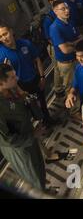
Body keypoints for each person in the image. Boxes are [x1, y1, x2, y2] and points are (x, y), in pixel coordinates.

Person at [0, 63, 46, 191]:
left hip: (29, 136)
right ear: (1, 83)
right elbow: (7, 140)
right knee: (33, 176)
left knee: (39, 169)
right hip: (19, 148)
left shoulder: (12, 89)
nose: (17, 78)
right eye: (13, 77)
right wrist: (33, 135)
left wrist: (26, 98)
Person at [0, 23, 53, 127]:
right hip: (20, 85)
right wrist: (19, 91)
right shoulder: (1, 55)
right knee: (29, 109)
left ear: (11, 31)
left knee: (42, 102)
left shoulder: (25, 43)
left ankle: (48, 120)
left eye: (5, 34)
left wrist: (42, 77)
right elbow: (5, 78)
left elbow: (37, 59)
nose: (4, 38)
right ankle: (37, 128)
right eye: (0, 37)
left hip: (34, 79)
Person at [49, 0, 83, 99]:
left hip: (76, 58)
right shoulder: (55, 28)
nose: (67, 11)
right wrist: (76, 44)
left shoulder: (70, 22)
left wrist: (71, 43)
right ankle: (74, 111)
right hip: (67, 64)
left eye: (67, 8)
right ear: (55, 11)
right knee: (71, 87)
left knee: (79, 82)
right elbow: (65, 50)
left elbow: (81, 37)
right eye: (63, 9)